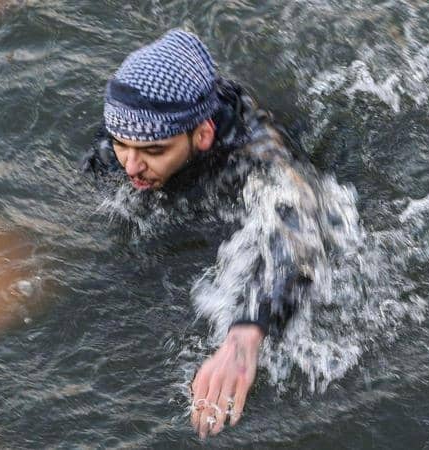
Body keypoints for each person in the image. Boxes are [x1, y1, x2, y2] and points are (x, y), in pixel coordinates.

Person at [82, 29, 327, 438]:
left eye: (154, 151)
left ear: (203, 134)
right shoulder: (123, 141)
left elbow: (299, 229)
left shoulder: (255, 154)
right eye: (122, 145)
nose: (131, 167)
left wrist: (245, 335)